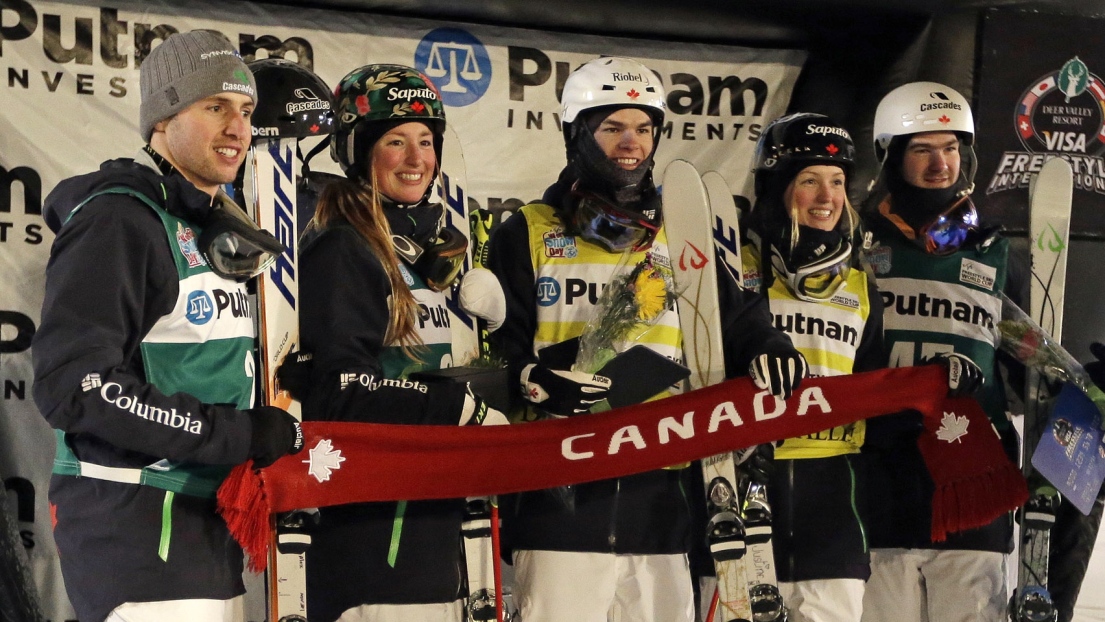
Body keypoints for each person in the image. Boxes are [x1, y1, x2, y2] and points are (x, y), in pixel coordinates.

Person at [485, 56, 806, 622]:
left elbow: (741, 319)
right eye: (612, 128)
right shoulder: (527, 229)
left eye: (644, 127)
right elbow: (500, 349)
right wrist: (533, 381)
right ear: (577, 134)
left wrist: (770, 348)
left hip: (662, 495)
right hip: (559, 491)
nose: (631, 142)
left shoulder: (687, 225)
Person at [31, 30, 303, 622]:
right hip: (138, 527)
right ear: (163, 117)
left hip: (205, 524)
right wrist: (238, 434)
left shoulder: (210, 225)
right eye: (215, 107)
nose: (237, 127)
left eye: (246, 110)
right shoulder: (120, 220)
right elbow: (72, 386)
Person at [296, 63, 506, 622]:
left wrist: (503, 355)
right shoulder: (344, 249)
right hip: (374, 530)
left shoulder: (433, 249)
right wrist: (454, 404)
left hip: (440, 520)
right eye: (395, 141)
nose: (417, 159)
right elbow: (339, 391)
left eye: (426, 141)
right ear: (359, 152)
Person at [859, 81, 1018, 622]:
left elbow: (1026, 358)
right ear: (891, 155)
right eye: (922, 149)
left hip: (971, 469)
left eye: (951, 148)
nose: (940, 163)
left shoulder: (996, 250)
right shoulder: (853, 242)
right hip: (879, 467)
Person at [744, 112, 887, 622]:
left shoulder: (862, 284)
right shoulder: (736, 268)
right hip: (746, 478)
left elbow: (875, 384)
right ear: (778, 188)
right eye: (809, 181)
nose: (827, 197)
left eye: (837, 182)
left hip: (834, 492)